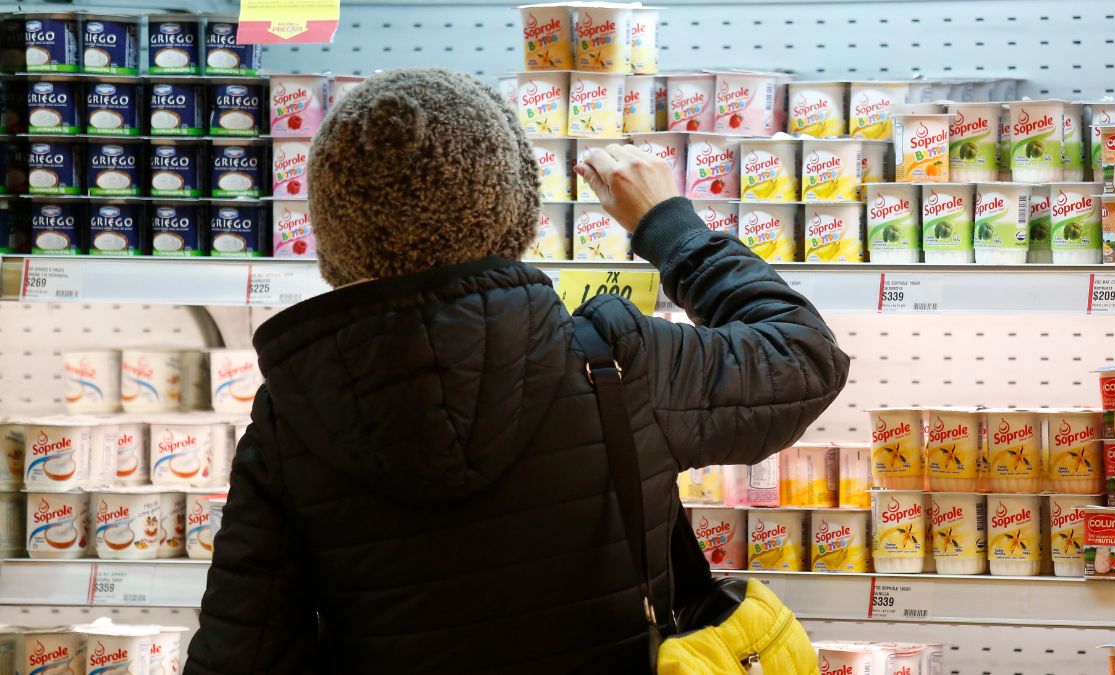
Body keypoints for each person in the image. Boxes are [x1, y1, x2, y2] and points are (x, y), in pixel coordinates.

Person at [185, 68, 850, 675]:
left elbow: (239, 653)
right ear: (522, 212)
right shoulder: (612, 358)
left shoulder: (293, 417)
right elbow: (805, 357)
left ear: (334, 235)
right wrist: (669, 229)